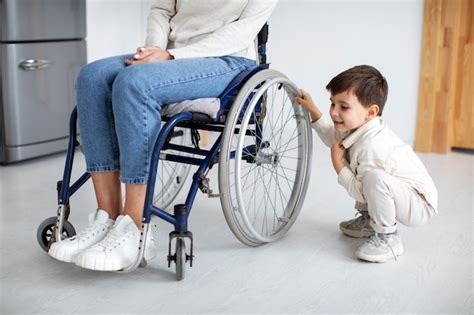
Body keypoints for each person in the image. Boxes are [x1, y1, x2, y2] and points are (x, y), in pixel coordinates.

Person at [48, 0, 278, 271]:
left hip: (227, 59)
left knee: (135, 83)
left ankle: (135, 227)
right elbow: (161, 10)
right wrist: (156, 51)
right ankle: (107, 218)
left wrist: (171, 57)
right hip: (171, 54)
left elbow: (242, 31)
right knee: (92, 77)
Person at [295, 65, 438, 263]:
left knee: (372, 178)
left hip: (419, 204)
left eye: (343, 107)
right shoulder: (358, 126)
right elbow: (332, 136)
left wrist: (338, 164)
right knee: (367, 174)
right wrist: (313, 110)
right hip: (401, 193)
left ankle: (388, 238)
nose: (334, 112)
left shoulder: (372, 147)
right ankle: (370, 221)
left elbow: (361, 192)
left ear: (370, 112)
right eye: (332, 104)